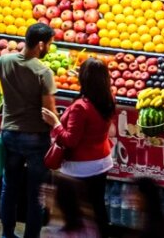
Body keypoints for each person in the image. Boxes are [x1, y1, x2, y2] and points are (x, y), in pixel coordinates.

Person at [0, 21, 58, 238]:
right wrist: (59, 123)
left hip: (10, 135)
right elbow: (48, 113)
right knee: (35, 195)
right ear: (40, 45)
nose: (50, 48)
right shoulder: (43, 72)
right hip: (36, 138)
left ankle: (7, 235)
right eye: (50, 45)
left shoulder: (5, 61)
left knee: (9, 189)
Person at [53, 58, 118, 229]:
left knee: (74, 211)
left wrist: (54, 123)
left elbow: (70, 140)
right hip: (102, 161)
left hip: (79, 166)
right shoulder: (109, 98)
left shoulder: (80, 107)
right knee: (97, 207)